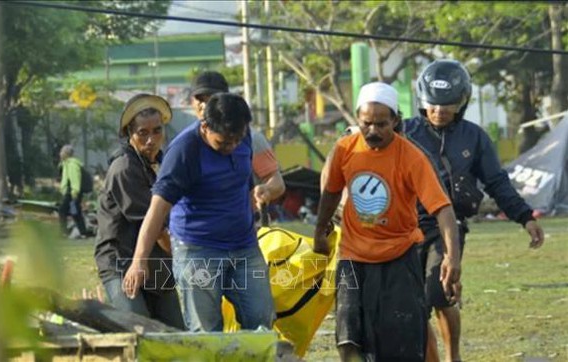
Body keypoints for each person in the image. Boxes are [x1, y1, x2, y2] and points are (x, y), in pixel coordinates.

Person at [405, 60, 545, 362]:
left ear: (462, 103)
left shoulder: (475, 137)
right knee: (414, 306)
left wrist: (525, 217)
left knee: (438, 295)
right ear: (422, 100)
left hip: (447, 227)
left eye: (448, 105)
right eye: (433, 104)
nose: (439, 111)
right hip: (405, 227)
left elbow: (496, 182)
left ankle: (453, 356)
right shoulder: (403, 131)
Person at [314, 82, 462, 362]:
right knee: (348, 339)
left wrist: (451, 258)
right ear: (358, 118)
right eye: (367, 123)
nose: (373, 131)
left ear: (395, 120)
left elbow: (443, 209)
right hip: (353, 257)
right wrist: (320, 231)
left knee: (400, 343)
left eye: (382, 124)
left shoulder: (411, 157)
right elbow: (331, 192)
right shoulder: (345, 149)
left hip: (398, 257)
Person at [123, 93, 275, 332]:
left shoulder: (243, 137)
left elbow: (243, 179)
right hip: (198, 249)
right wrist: (139, 261)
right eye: (223, 143)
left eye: (237, 140)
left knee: (261, 318)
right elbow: (158, 208)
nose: (232, 146)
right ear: (205, 126)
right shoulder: (185, 151)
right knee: (206, 330)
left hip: (244, 246)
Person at [93, 94, 184, 329]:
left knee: (177, 336)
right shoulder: (124, 167)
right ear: (129, 134)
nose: (151, 139)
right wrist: (185, 256)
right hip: (122, 264)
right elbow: (156, 225)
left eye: (157, 131)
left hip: (158, 266)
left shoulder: (163, 164)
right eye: (142, 133)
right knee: (142, 334)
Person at [189, 71, 286, 208]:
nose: (205, 106)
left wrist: (266, 190)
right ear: (191, 102)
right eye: (201, 100)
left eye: (212, 99)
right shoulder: (186, 143)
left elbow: (276, 182)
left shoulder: (251, 138)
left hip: (243, 223)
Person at [58, 144, 88, 238]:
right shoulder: (66, 164)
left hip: (72, 192)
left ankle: (64, 232)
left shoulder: (72, 164)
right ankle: (83, 232)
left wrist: (75, 191)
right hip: (70, 191)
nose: (60, 154)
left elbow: (75, 179)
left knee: (62, 211)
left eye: (62, 152)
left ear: (66, 153)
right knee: (75, 212)